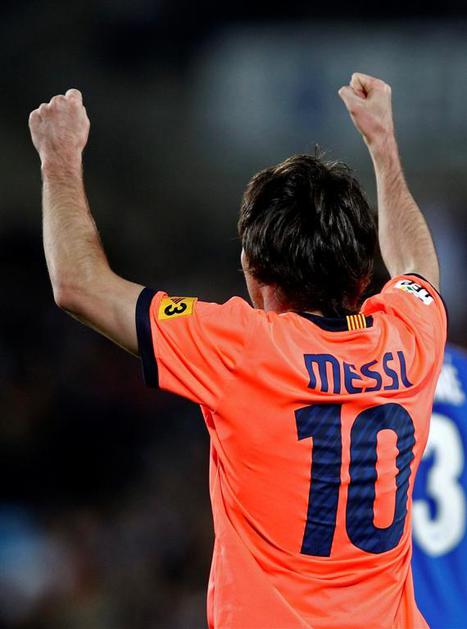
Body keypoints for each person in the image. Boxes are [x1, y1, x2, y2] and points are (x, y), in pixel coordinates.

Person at [29, 73, 446, 628]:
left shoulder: (241, 348)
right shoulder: (412, 338)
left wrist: (59, 157)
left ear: (253, 274)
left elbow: (78, 285)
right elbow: (418, 267)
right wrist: (384, 145)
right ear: (364, 277)